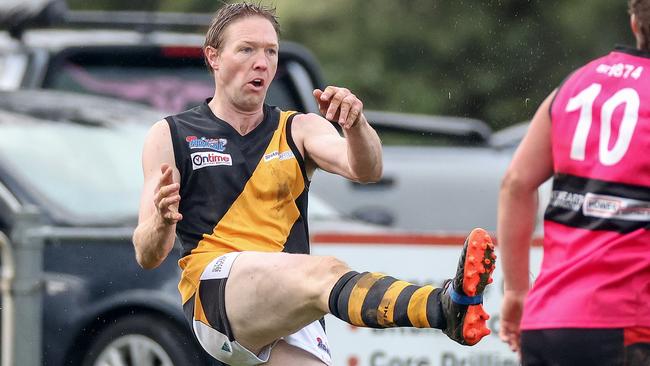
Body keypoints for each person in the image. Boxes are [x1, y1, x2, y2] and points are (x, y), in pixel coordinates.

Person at [133, 3, 496, 365]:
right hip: (215, 293)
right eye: (247, 49)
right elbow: (147, 254)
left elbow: (365, 169)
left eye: (270, 51)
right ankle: (441, 307)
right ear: (214, 57)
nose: (262, 62)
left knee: (315, 280)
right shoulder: (171, 134)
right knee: (325, 273)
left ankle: (448, 306)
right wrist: (163, 222)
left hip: (288, 295)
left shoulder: (298, 128)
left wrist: (356, 125)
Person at [498, 1, 650, 365]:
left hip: (548, 322)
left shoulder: (577, 82)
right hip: (627, 325)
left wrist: (517, 290)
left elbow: (515, 184)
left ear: (634, 24)